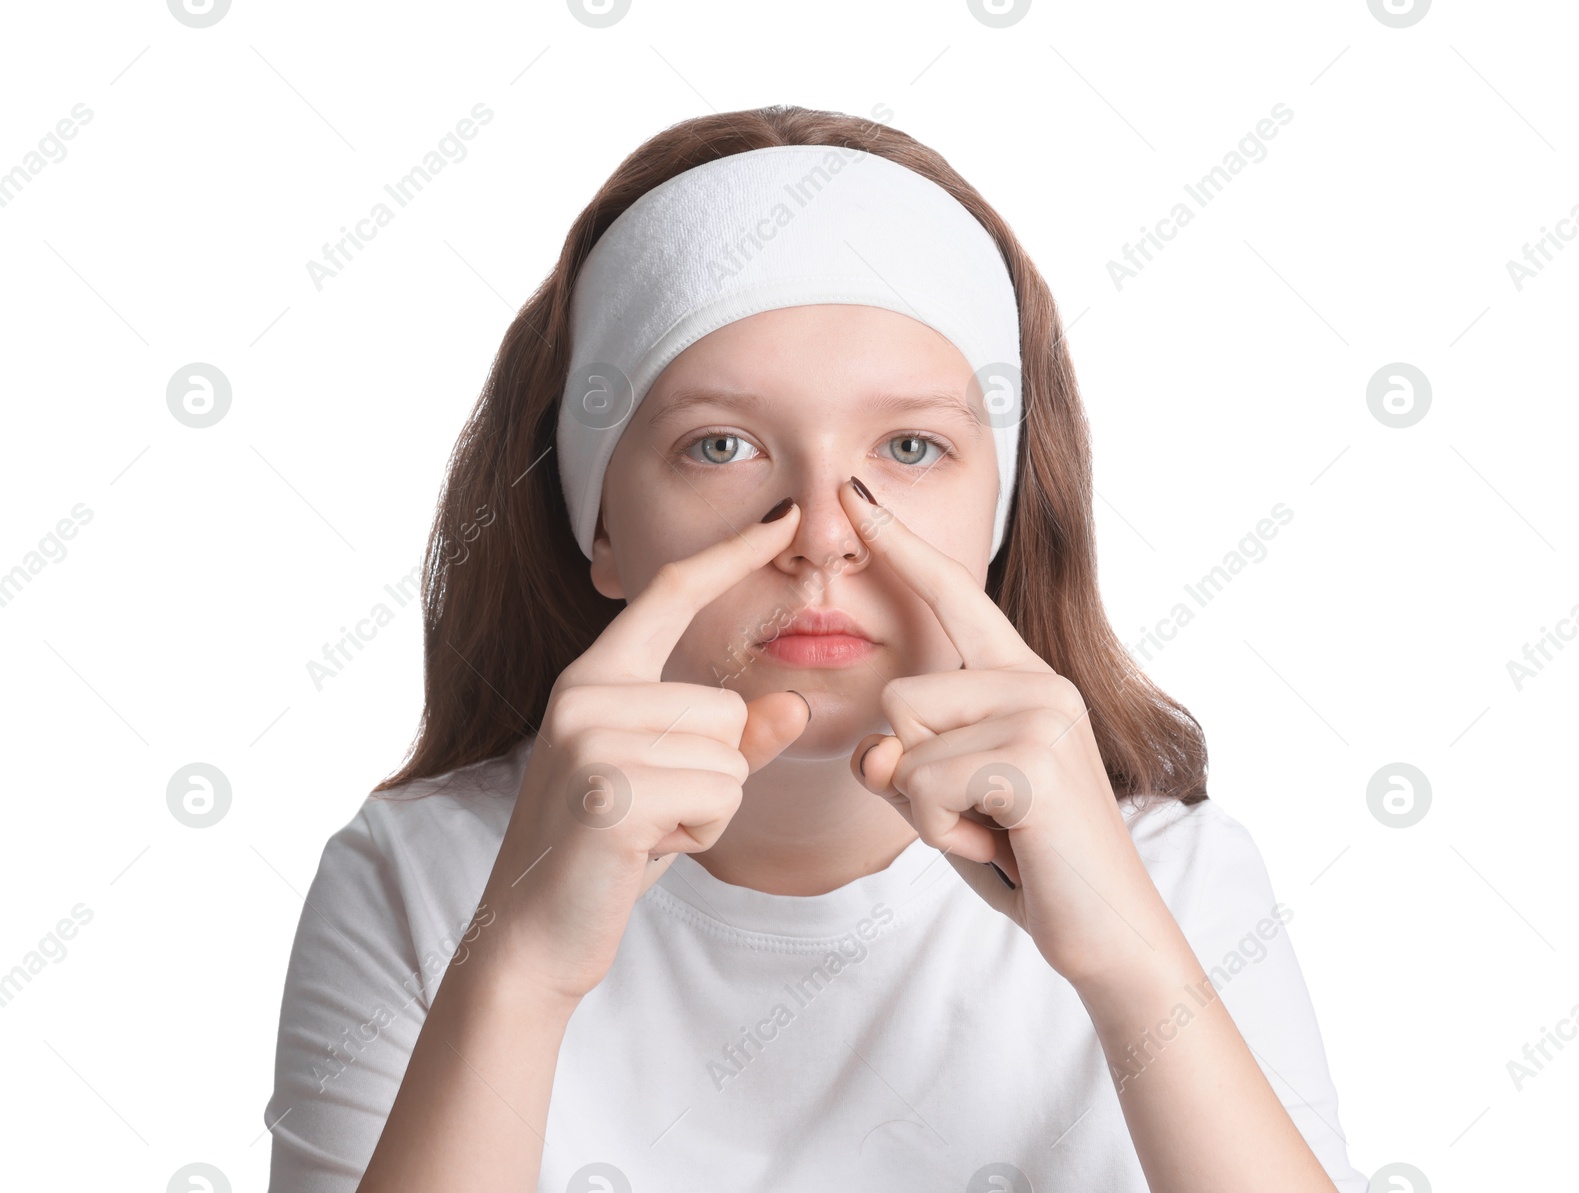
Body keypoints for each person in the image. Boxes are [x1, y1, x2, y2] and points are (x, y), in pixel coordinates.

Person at [263, 104, 1365, 1192]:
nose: (827, 535)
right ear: (597, 517)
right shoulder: (412, 878)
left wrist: (1130, 965)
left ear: (995, 516)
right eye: (722, 444)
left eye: (911, 446)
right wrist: (520, 971)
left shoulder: (1178, 878)